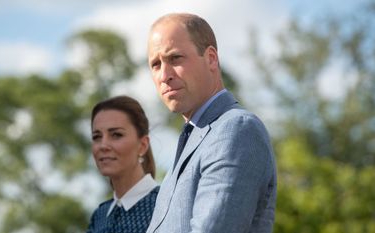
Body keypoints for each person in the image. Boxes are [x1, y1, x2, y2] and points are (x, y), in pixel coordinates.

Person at [146, 13, 277, 233]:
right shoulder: (190, 143)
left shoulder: (236, 129)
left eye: (175, 58)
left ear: (211, 58)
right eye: (156, 64)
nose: (164, 75)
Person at [86, 95, 159, 233]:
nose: (103, 145)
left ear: (143, 145)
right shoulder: (99, 216)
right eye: (97, 137)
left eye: (116, 135)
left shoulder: (165, 205)